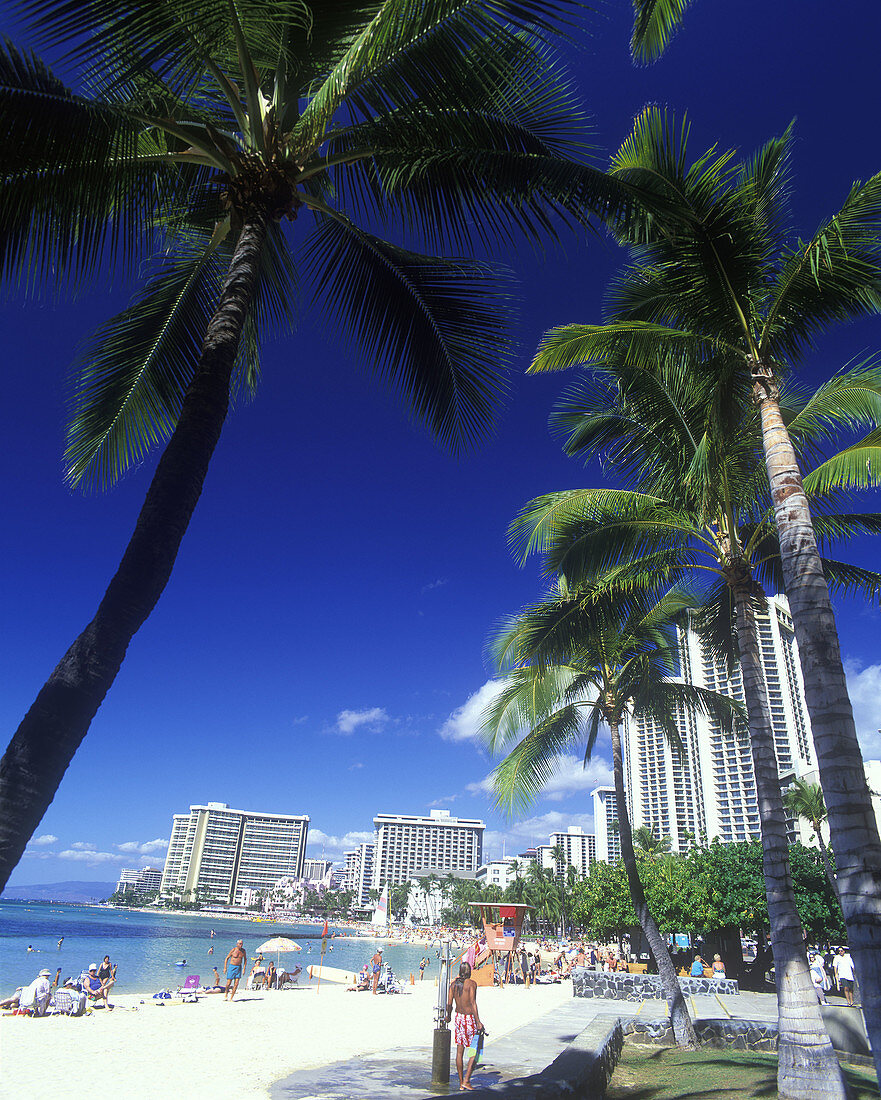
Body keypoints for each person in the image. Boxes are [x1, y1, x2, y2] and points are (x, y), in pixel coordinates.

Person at [446, 962, 486, 1092]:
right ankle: (467, 1080)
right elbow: (473, 1003)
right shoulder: (471, 984)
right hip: (469, 1018)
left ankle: (460, 1082)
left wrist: (448, 1016)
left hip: (458, 1017)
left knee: (459, 1051)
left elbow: (449, 1003)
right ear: (469, 972)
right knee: (474, 1050)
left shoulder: (453, 985)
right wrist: (478, 1021)